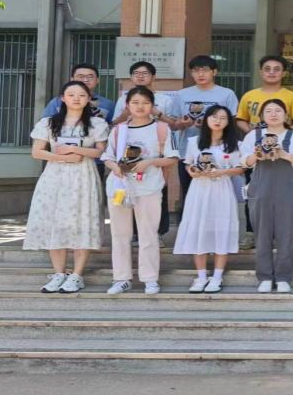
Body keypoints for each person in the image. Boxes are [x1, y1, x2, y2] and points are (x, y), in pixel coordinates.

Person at [24, 81, 109, 294]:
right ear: (62, 98)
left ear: (89, 99)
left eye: (81, 95)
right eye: (71, 94)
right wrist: (62, 157)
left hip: (84, 175)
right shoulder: (49, 122)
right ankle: (59, 273)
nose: (76, 98)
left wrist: (77, 151)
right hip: (54, 176)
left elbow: (101, 152)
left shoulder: (97, 123)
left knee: (83, 221)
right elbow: (37, 152)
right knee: (55, 221)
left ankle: (77, 275)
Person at [102, 87, 179, 295]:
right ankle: (121, 278)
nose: (140, 107)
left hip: (149, 187)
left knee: (148, 234)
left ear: (152, 106)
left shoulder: (161, 129)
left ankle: (150, 278)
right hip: (119, 187)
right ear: (127, 105)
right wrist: (115, 167)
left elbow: (172, 158)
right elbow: (107, 156)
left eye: (145, 102)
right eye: (135, 102)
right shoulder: (119, 130)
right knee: (119, 234)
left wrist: (150, 162)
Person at [235, 55, 293, 249]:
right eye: (267, 69)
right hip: (257, 152)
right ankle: (252, 233)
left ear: (283, 73)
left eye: (277, 69)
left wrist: (284, 135)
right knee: (254, 194)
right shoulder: (249, 95)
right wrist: (254, 135)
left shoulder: (292, 97)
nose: (272, 72)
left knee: (286, 199)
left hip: (284, 152)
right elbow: (240, 119)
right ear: (261, 72)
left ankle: (288, 235)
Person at [240, 99, 293, 293]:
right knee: (261, 235)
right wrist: (257, 155)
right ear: (262, 116)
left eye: (278, 110)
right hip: (260, 189)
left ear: (286, 115)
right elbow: (244, 162)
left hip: (287, 190)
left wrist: (284, 154)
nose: (273, 114)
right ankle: (264, 276)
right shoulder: (253, 135)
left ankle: (283, 276)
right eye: (269, 111)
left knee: (286, 235)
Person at [174, 105, 245, 294]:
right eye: (214, 116)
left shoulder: (234, 144)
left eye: (223, 118)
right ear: (206, 119)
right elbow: (188, 164)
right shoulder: (194, 142)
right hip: (199, 190)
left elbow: (241, 168)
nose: (218, 121)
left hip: (222, 190)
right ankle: (201, 276)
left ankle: (217, 276)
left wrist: (222, 172)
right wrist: (193, 172)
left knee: (222, 230)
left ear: (228, 122)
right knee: (199, 230)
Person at [167, 55, 239, 219]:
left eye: (205, 70)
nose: (200, 74)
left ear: (214, 72)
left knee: (219, 191)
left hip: (219, 150)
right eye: (196, 70)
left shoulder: (226, 94)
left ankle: (214, 226)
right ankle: (189, 226)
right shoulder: (182, 95)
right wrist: (183, 124)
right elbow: (173, 124)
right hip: (188, 151)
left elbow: (232, 123)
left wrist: (208, 126)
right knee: (189, 190)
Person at [112, 60, 173, 240]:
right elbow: (114, 124)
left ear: (153, 77)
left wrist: (156, 112)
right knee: (127, 192)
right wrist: (125, 114)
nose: (140, 76)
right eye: (136, 73)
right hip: (128, 156)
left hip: (155, 153)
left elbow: (174, 125)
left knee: (158, 192)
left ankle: (157, 233)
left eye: (145, 73)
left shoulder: (165, 100)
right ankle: (132, 234)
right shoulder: (123, 100)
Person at [41, 63, 115, 124]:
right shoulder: (57, 102)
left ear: (97, 80)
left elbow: (112, 127)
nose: (85, 80)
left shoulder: (108, 104)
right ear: (72, 79)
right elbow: (46, 125)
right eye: (81, 76)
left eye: (90, 77)